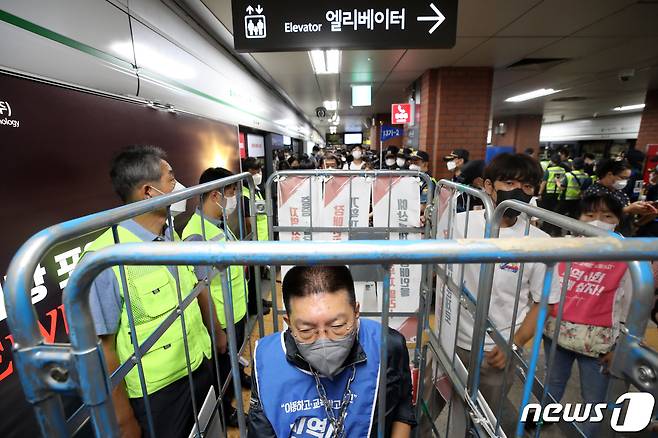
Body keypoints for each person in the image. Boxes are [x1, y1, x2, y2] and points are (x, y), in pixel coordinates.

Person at [87, 145, 222, 438]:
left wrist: (216, 334)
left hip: (198, 365)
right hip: (157, 395)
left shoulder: (170, 236)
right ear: (148, 192)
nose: (179, 187)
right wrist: (123, 421)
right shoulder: (106, 258)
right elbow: (102, 349)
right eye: (171, 179)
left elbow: (192, 291)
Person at [437, 153, 560, 436]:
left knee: (483, 423)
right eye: (509, 181)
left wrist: (512, 345)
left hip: (496, 352)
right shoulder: (459, 223)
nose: (519, 191)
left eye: (527, 186)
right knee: (427, 409)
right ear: (488, 186)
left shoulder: (539, 242)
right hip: (448, 340)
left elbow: (544, 304)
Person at [248, 266, 416, 437]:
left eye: (337, 326)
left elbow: (402, 407)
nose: (323, 340)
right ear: (289, 323)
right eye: (306, 330)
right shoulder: (266, 359)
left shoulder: (386, 345)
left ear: (356, 311)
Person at [543, 193, 631, 437]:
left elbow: (630, 306)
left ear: (617, 220)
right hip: (555, 334)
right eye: (590, 215)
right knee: (550, 386)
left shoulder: (628, 255)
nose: (597, 221)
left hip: (599, 345)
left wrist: (620, 347)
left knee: (594, 400)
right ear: (578, 218)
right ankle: (535, 427)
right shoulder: (565, 246)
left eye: (607, 216)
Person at [182, 167, 250, 427]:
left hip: (236, 309)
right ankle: (226, 409)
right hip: (221, 318)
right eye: (231, 193)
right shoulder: (196, 235)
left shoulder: (218, 225)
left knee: (233, 358)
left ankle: (238, 377)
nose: (233, 200)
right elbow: (201, 288)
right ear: (214, 195)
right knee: (221, 369)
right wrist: (217, 329)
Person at [583, 158, 657, 224]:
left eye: (628, 178)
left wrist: (640, 206)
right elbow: (599, 213)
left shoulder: (617, 191)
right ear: (609, 174)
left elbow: (624, 207)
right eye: (623, 178)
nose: (626, 181)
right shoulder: (594, 192)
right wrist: (628, 209)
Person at [539, 153, 567, 236]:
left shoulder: (549, 170)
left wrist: (540, 193)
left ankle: (546, 230)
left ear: (552, 161)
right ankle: (556, 231)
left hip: (549, 194)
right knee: (555, 213)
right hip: (558, 194)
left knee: (547, 213)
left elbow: (544, 182)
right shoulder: (563, 170)